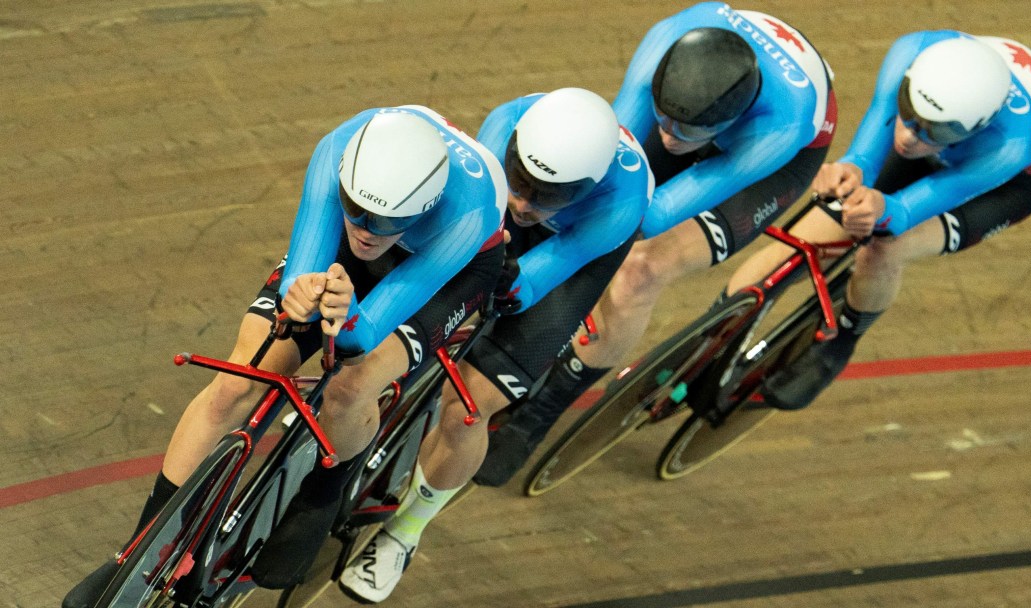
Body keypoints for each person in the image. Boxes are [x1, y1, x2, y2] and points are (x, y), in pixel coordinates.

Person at [63, 106, 508, 607]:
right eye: (355, 208)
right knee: (238, 381)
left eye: (383, 221)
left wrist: (347, 315)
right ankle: (141, 551)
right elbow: (305, 274)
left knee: (351, 384)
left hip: (442, 268)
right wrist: (303, 294)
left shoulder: (467, 213)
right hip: (367, 243)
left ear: (421, 208)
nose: (364, 229)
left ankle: (324, 490)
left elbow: (361, 336)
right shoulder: (336, 149)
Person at [474, 2, 837, 486]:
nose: (668, 136)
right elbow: (615, 165)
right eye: (663, 118)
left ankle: (542, 408)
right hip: (702, 94)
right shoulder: (662, 46)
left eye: (687, 131)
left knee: (638, 268)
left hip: (768, 163)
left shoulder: (781, 125)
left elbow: (650, 215)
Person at [336, 87, 652, 603]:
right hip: (496, 231)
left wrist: (503, 281)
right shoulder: (506, 121)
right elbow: (477, 222)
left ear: (585, 187)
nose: (523, 203)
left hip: (571, 257)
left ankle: (406, 531)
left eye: (543, 196)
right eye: (520, 183)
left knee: (467, 405)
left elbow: (526, 287)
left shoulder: (619, 203)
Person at [722, 32, 1031, 410]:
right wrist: (850, 171)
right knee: (806, 240)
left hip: (1003, 185)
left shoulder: (1013, 145)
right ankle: (715, 329)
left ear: (975, 126)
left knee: (885, 246)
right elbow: (866, 154)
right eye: (908, 112)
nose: (907, 136)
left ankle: (841, 343)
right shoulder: (911, 50)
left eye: (934, 130)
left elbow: (908, 209)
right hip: (954, 130)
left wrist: (879, 209)